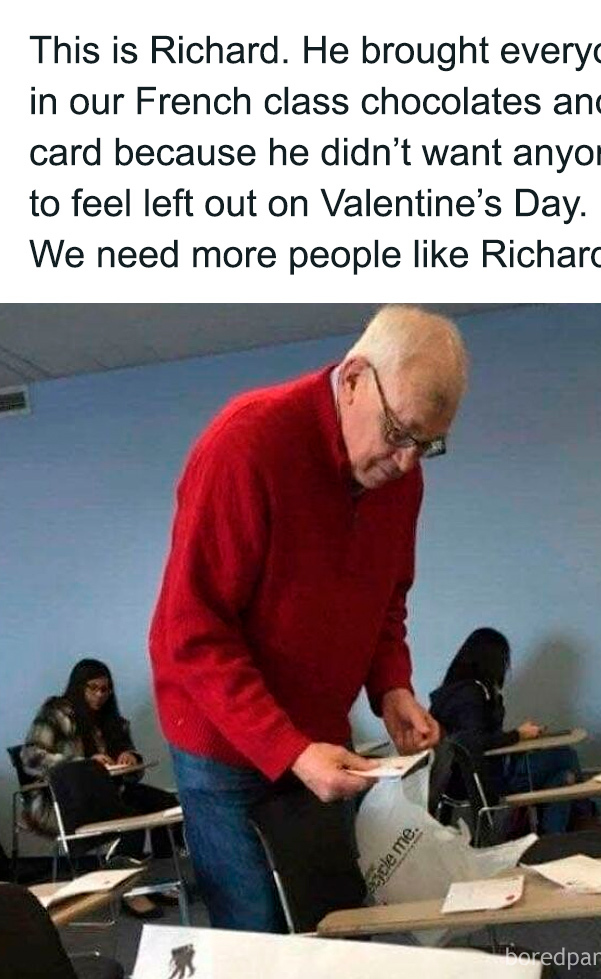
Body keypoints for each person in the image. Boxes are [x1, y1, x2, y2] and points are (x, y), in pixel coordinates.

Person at [149, 304, 469, 931]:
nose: (408, 464)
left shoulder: (398, 479)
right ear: (353, 381)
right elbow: (190, 633)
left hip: (320, 737)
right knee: (262, 936)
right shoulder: (245, 443)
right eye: (401, 434)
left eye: (430, 445)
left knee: (335, 921)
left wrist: (392, 687)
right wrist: (288, 749)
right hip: (226, 746)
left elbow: (385, 598)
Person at [21, 658, 179, 917]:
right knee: (130, 819)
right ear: (78, 687)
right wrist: (82, 763)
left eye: (105, 689)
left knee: (167, 805)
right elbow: (30, 756)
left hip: (106, 792)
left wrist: (130, 758)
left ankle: (155, 880)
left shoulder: (112, 719)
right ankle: (128, 893)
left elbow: (131, 775)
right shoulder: (57, 712)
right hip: (66, 799)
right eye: (93, 688)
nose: (99, 695)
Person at [429, 627, 584, 834]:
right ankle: (585, 815)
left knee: (562, 778)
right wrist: (518, 735)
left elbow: (475, 736)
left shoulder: (454, 691)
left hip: (467, 778)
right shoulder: (471, 694)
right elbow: (473, 740)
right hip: (483, 781)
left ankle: (547, 840)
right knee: (566, 756)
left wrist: (521, 736)